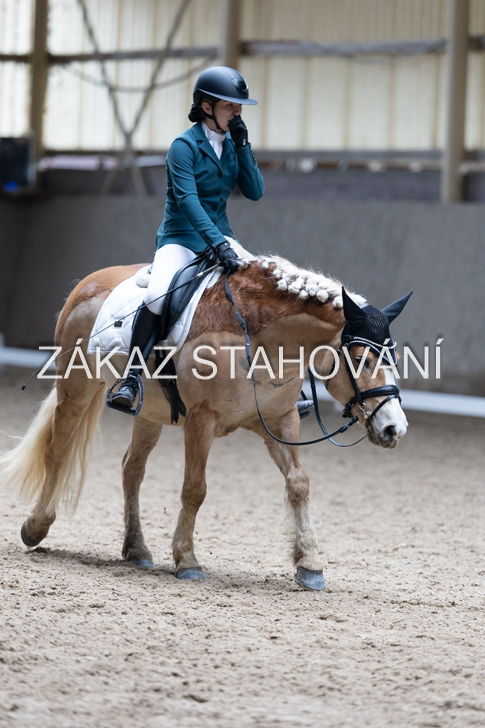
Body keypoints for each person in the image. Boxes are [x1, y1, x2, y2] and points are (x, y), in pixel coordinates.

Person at [109, 66, 265, 413]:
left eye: (239, 107)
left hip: (221, 236)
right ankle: (131, 378)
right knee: (157, 296)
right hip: (181, 237)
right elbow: (188, 201)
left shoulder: (232, 145)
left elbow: (255, 191)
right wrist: (218, 244)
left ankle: (271, 379)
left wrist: (243, 146)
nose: (237, 112)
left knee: (259, 291)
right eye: (230, 106)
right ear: (207, 107)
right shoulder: (183, 146)